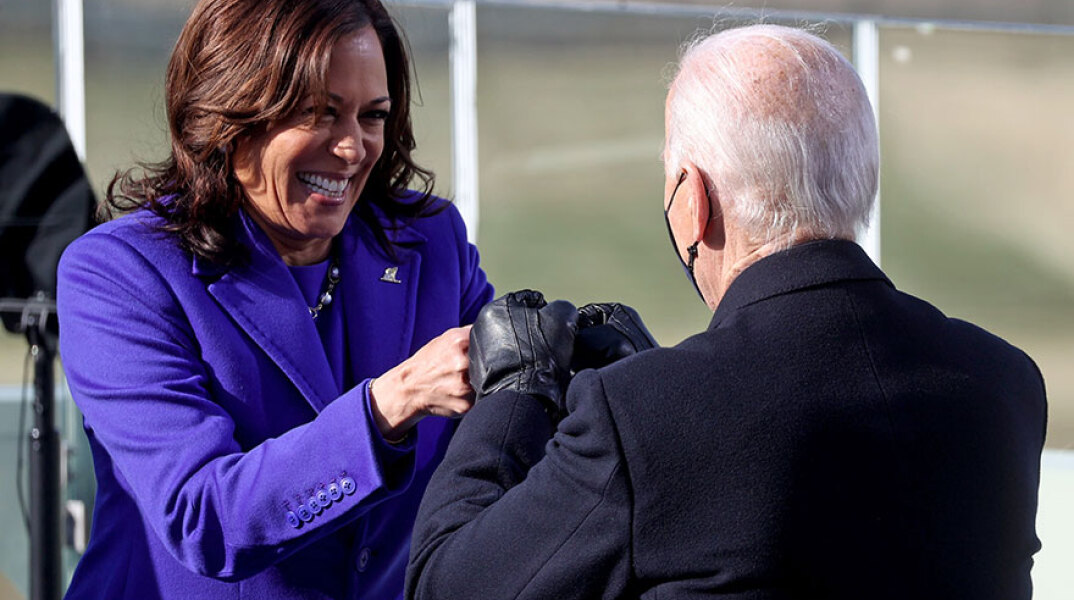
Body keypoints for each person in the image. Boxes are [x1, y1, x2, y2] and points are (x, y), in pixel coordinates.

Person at [406, 24, 1047, 600]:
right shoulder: (1004, 384)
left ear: (693, 201)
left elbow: (446, 583)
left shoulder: (641, 418)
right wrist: (661, 387)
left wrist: (515, 395)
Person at [56, 0, 493, 597]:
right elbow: (202, 518)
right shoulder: (120, 273)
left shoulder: (431, 244)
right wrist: (392, 403)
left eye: (372, 116)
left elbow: (505, 439)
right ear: (229, 112)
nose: (352, 148)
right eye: (319, 113)